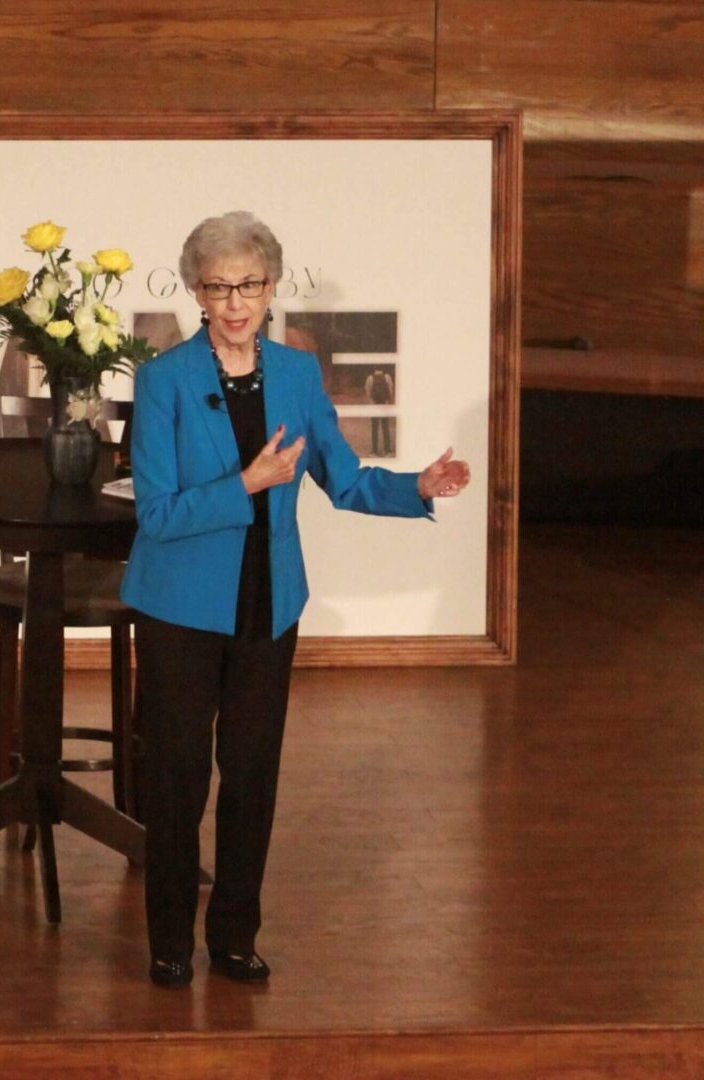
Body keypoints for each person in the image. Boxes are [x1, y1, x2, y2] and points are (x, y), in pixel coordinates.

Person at [120, 211, 470, 988]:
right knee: (177, 779)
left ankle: (234, 937)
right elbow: (156, 514)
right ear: (196, 293)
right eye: (218, 286)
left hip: (267, 606)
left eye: (248, 283)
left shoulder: (296, 375)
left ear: (272, 286)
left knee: (251, 775)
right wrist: (244, 484)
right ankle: (168, 942)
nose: (235, 300)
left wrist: (414, 486)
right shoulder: (164, 379)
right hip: (177, 608)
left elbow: (343, 481)